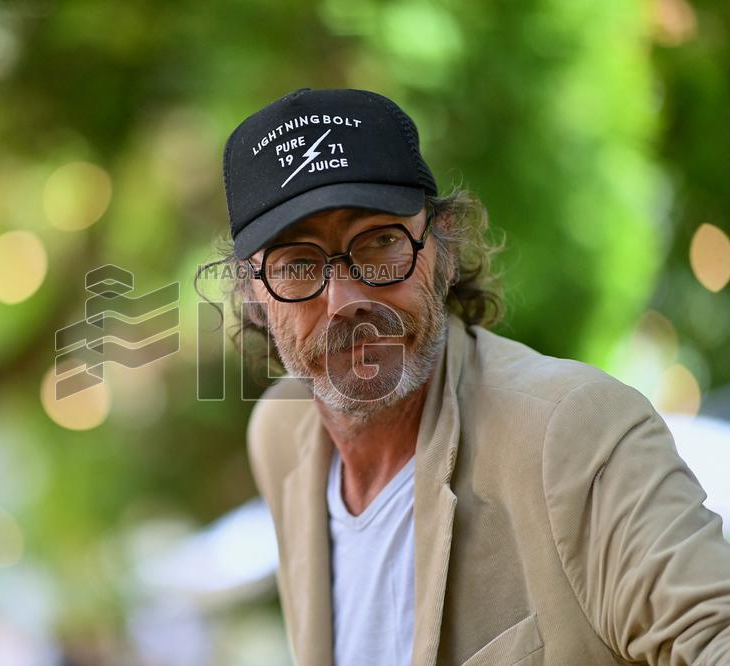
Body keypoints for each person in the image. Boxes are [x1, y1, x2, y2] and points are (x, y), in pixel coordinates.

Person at [214, 87, 730, 665]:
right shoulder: (281, 438)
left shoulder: (575, 432)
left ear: (443, 244)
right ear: (253, 294)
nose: (344, 301)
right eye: (299, 264)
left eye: (381, 242)